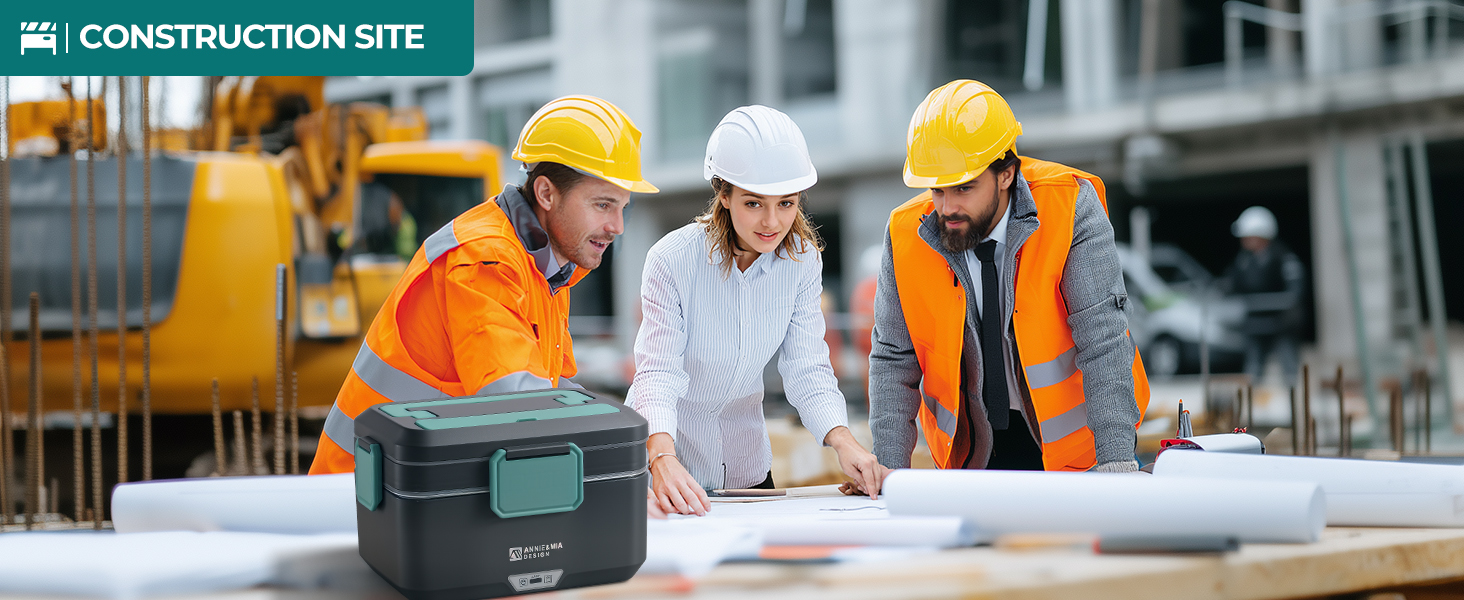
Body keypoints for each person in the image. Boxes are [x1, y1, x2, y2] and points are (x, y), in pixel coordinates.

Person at [309, 95, 658, 475]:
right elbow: (520, 407)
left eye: (624, 207)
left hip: (402, 482)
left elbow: (550, 393)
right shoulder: (483, 258)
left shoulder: (544, 269)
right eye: (603, 205)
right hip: (357, 492)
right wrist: (629, 464)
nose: (617, 227)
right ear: (545, 193)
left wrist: (644, 438)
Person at [868, 80, 1150, 474]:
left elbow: (1102, 340)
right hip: (970, 454)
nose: (947, 207)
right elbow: (894, 360)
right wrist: (886, 470)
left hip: (1075, 453)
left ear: (1006, 174)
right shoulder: (904, 233)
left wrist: (1116, 459)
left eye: (964, 187)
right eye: (937, 190)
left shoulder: (1068, 207)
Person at [627, 106, 885, 516]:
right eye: (753, 203)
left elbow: (807, 366)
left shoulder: (802, 262)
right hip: (668, 465)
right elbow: (657, 373)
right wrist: (660, 456)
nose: (772, 221)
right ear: (724, 195)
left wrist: (844, 441)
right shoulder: (672, 260)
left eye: (786, 203)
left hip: (747, 468)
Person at [1221, 206, 1305, 387]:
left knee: (1289, 367)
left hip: (1281, 323)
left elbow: (1295, 287)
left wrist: (1287, 306)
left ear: (1261, 236)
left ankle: (1292, 402)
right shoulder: (1243, 261)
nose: (1244, 241)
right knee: (1253, 370)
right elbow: (1231, 284)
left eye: (1248, 236)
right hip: (1255, 324)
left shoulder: (1282, 257)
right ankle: (1253, 407)